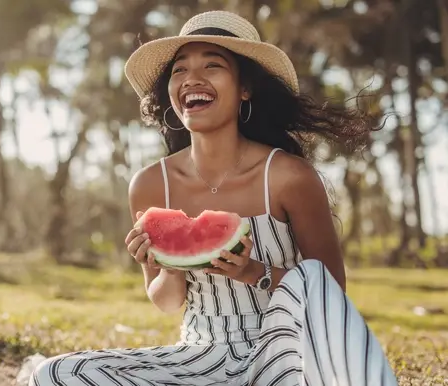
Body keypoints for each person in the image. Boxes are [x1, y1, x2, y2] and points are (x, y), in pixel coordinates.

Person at [30, 10, 398, 386]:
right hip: (199, 357)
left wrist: (252, 271)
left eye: (213, 65)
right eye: (179, 70)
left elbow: (329, 292)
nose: (192, 78)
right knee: (56, 374)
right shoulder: (151, 184)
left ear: (245, 88)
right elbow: (166, 302)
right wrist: (169, 264)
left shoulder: (288, 176)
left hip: (287, 353)